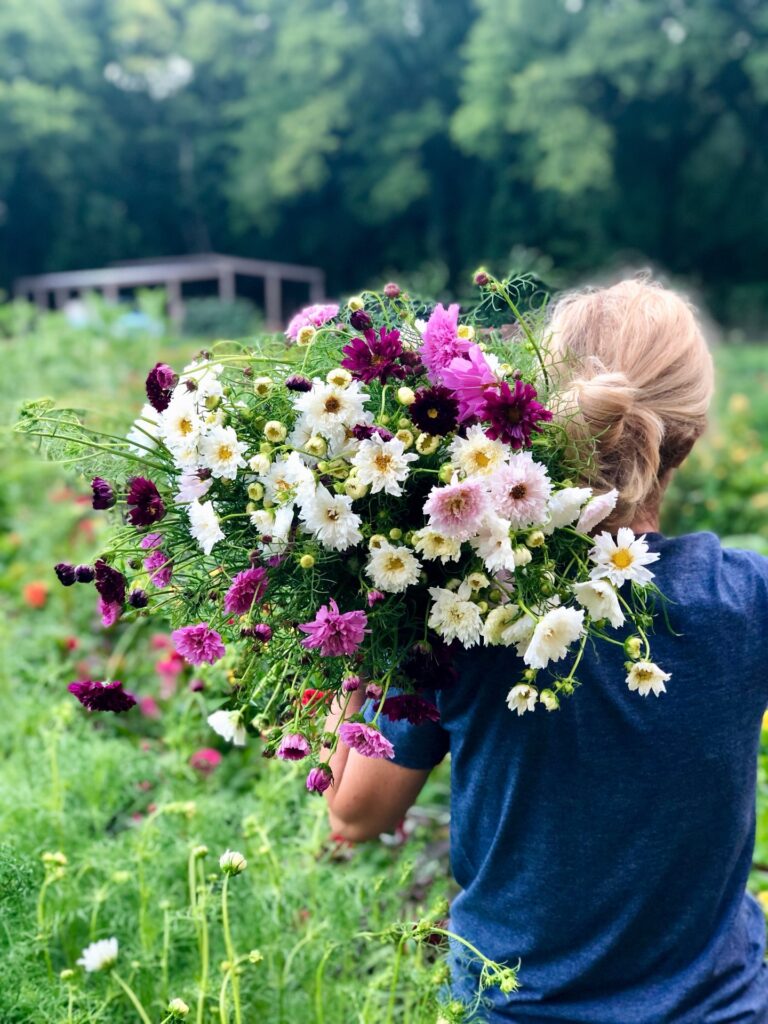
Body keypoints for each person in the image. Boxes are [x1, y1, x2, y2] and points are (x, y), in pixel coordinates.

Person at [322, 277, 768, 1023]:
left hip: (519, 1007)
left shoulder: (456, 607)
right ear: (691, 431)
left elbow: (355, 815)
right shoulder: (748, 597)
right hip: (720, 1007)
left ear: (532, 410)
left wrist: (358, 659)